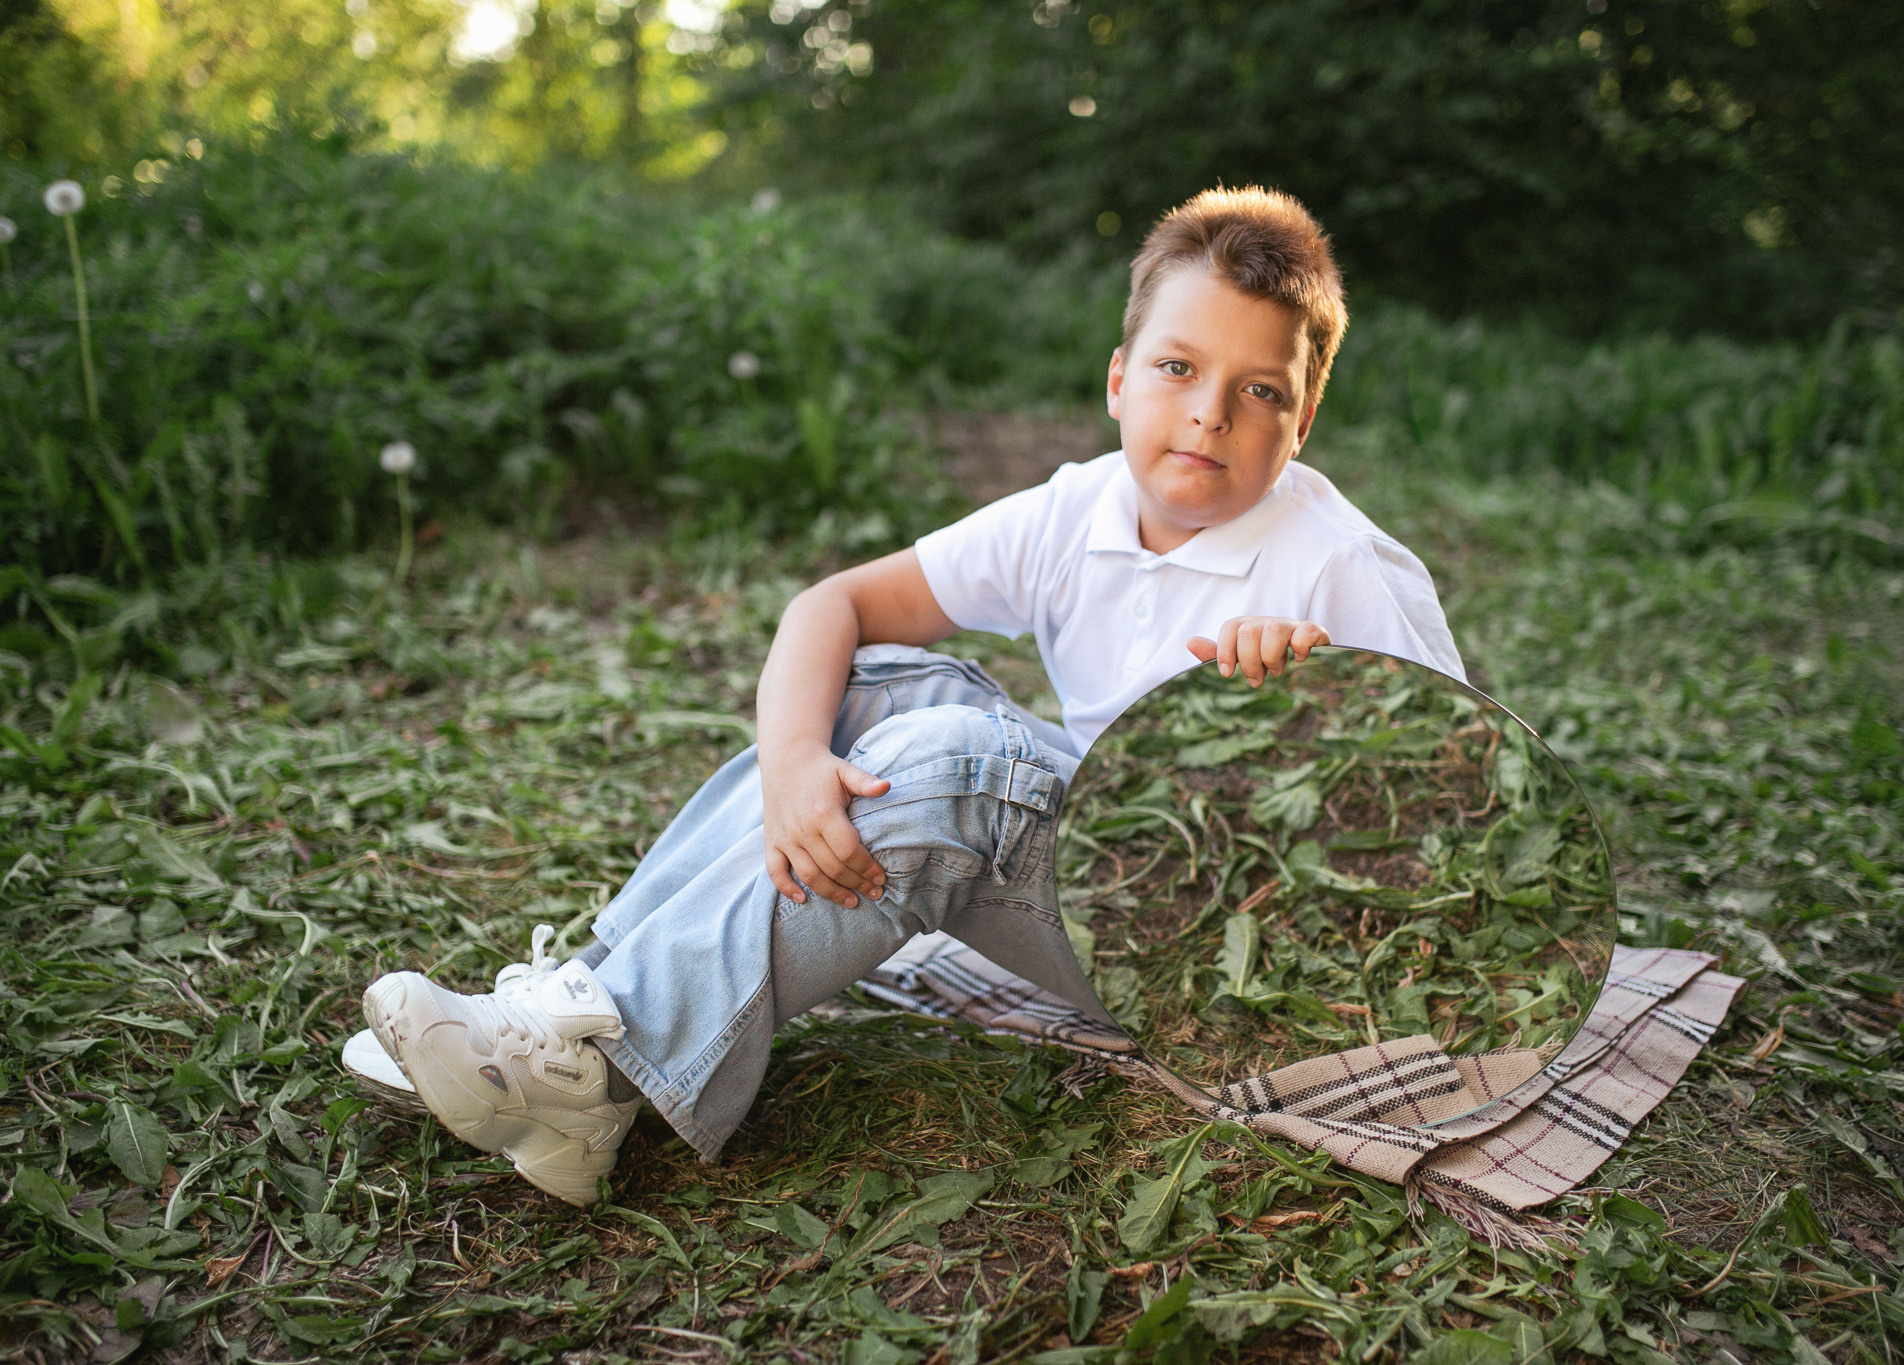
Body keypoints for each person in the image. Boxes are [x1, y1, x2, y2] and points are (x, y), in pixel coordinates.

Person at [353, 187, 1464, 1205]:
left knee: (964, 771)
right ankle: (571, 1013)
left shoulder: (1337, 570)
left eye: (1256, 390)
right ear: (1118, 378)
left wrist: (1323, 714)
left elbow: (1462, 825)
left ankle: (595, 1079)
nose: (1207, 414)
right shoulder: (1076, 510)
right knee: (886, 685)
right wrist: (793, 768)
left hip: (1243, 957)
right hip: (1115, 878)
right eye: (1177, 368)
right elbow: (829, 608)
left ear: (1301, 420)